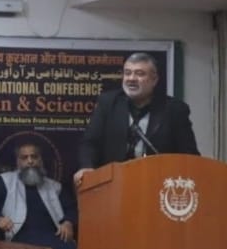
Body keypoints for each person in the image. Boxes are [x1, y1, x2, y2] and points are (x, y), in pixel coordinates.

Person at [75, 52, 199, 186]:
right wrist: (87, 166)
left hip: (157, 184)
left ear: (154, 79)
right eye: (127, 73)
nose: (131, 78)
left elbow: (189, 156)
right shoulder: (108, 103)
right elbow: (90, 143)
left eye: (139, 74)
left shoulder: (174, 110)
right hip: (113, 184)